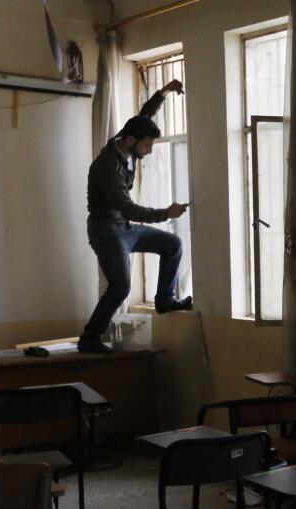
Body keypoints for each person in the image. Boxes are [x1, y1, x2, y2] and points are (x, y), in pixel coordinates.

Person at [78, 78, 192, 355]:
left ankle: (165, 299)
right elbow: (128, 208)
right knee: (120, 286)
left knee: (172, 245)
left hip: (125, 228)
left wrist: (164, 92)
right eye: (148, 145)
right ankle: (89, 338)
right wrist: (166, 212)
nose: (150, 150)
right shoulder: (108, 166)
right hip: (107, 230)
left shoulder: (127, 140)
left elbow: (144, 114)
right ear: (132, 141)